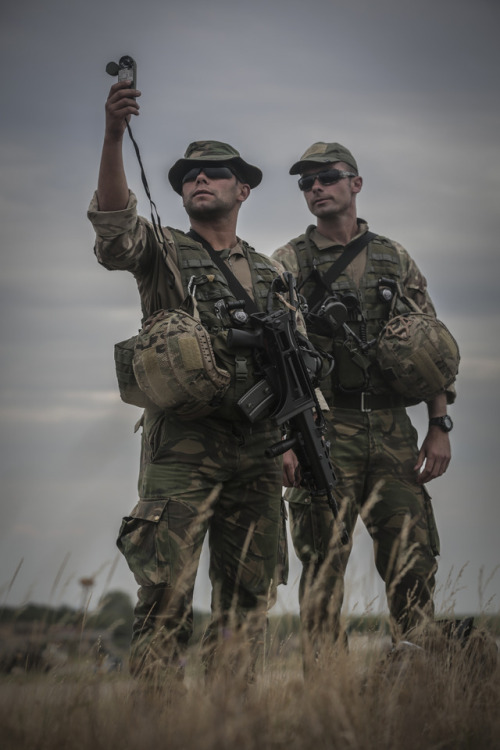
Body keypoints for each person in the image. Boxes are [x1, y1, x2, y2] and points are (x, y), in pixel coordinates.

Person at [87, 79, 295, 685]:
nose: (199, 179)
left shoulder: (271, 272)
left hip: (257, 450)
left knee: (247, 601)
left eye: (216, 172)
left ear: (243, 188)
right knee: (164, 595)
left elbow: (295, 361)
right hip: (182, 444)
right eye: (189, 175)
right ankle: (159, 726)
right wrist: (112, 136)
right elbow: (112, 228)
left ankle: (230, 725)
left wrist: (291, 440)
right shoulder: (163, 251)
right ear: (179, 194)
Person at [272, 141, 457, 665]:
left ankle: (417, 673)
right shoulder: (286, 263)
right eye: (306, 183)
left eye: (327, 177)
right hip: (326, 428)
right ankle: (326, 690)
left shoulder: (393, 258)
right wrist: (286, 439)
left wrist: (439, 424)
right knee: (323, 563)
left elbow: (429, 348)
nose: (315, 188)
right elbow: (276, 357)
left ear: (355, 183)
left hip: (394, 428)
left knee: (412, 560)